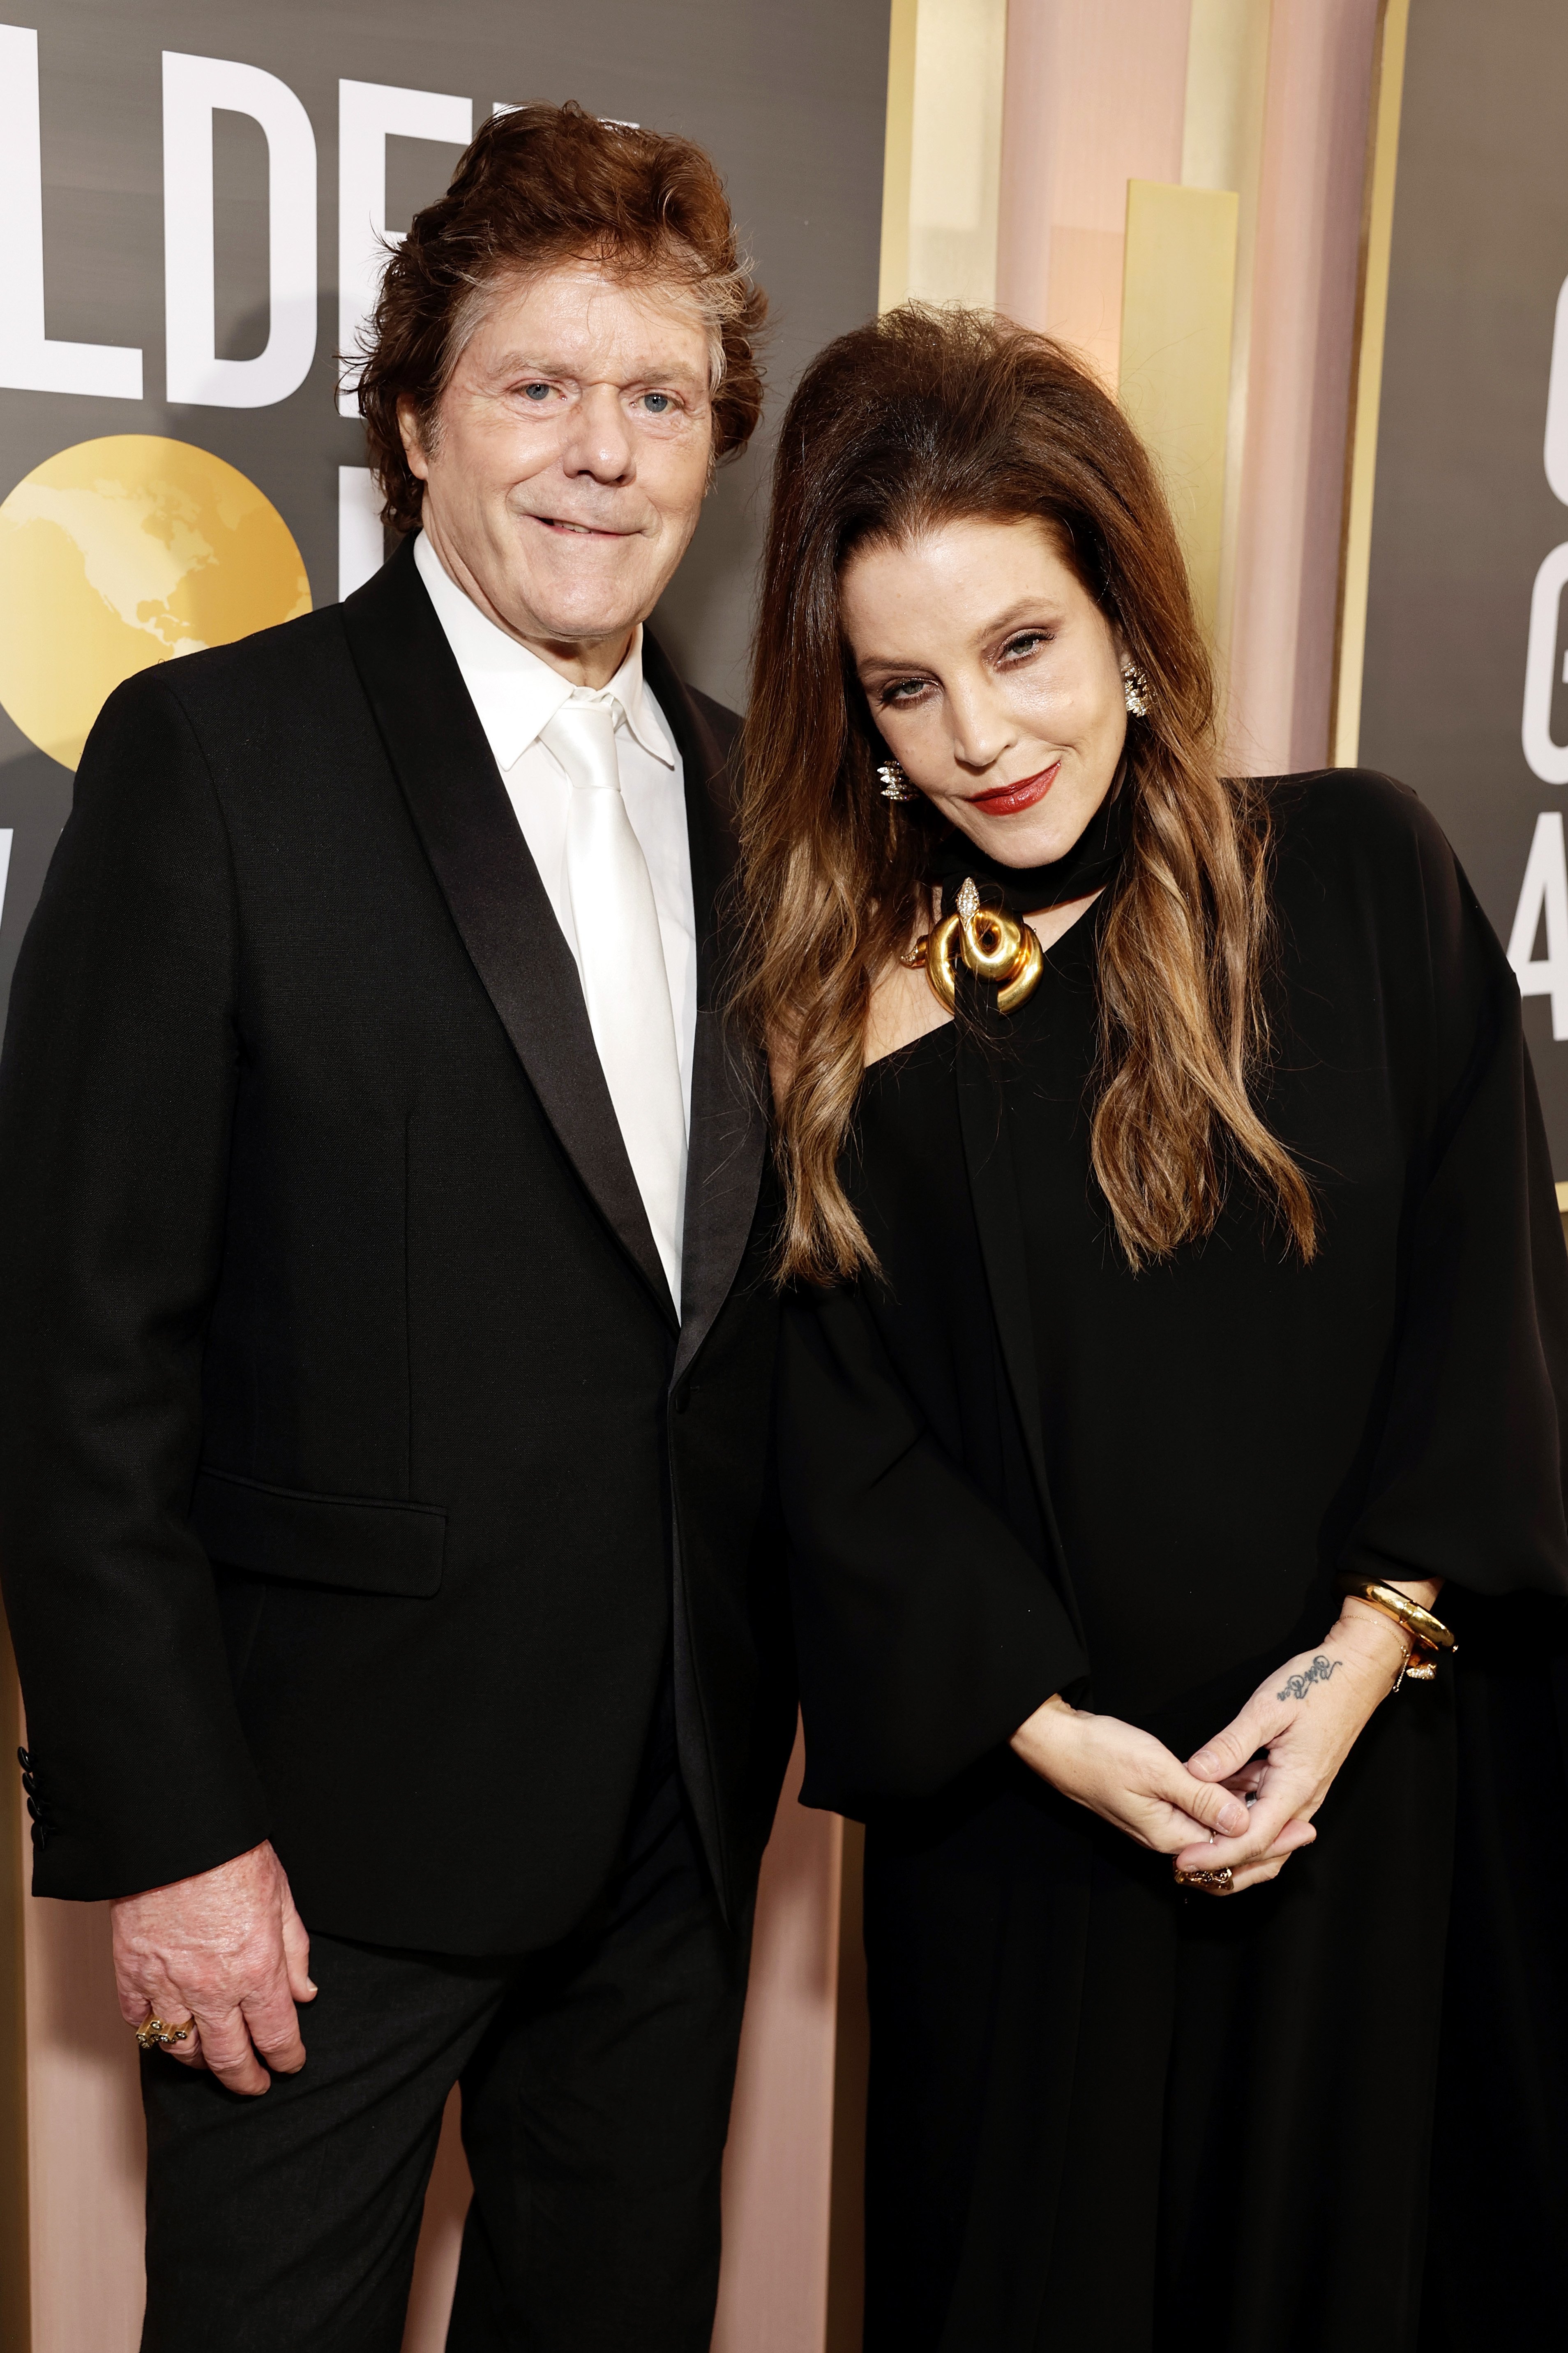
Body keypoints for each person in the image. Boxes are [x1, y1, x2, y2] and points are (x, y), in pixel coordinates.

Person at [0, 103, 794, 2353]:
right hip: (311, 1852)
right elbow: (80, 1353)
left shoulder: (771, 801)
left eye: (657, 399)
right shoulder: (217, 759)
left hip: (680, 1825)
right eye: (538, 386)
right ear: (418, 417)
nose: (600, 454)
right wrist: (167, 1837)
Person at [735, 305, 1568, 2351]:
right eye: (904, 689)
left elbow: (1493, 1304)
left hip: (1372, 1803)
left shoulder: (1363, 877)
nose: (979, 737)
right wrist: (1056, 1740)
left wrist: (1360, 1672)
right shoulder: (848, 1022)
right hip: (1028, 1849)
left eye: (1020, 648)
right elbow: (827, 1443)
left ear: (1124, 612)